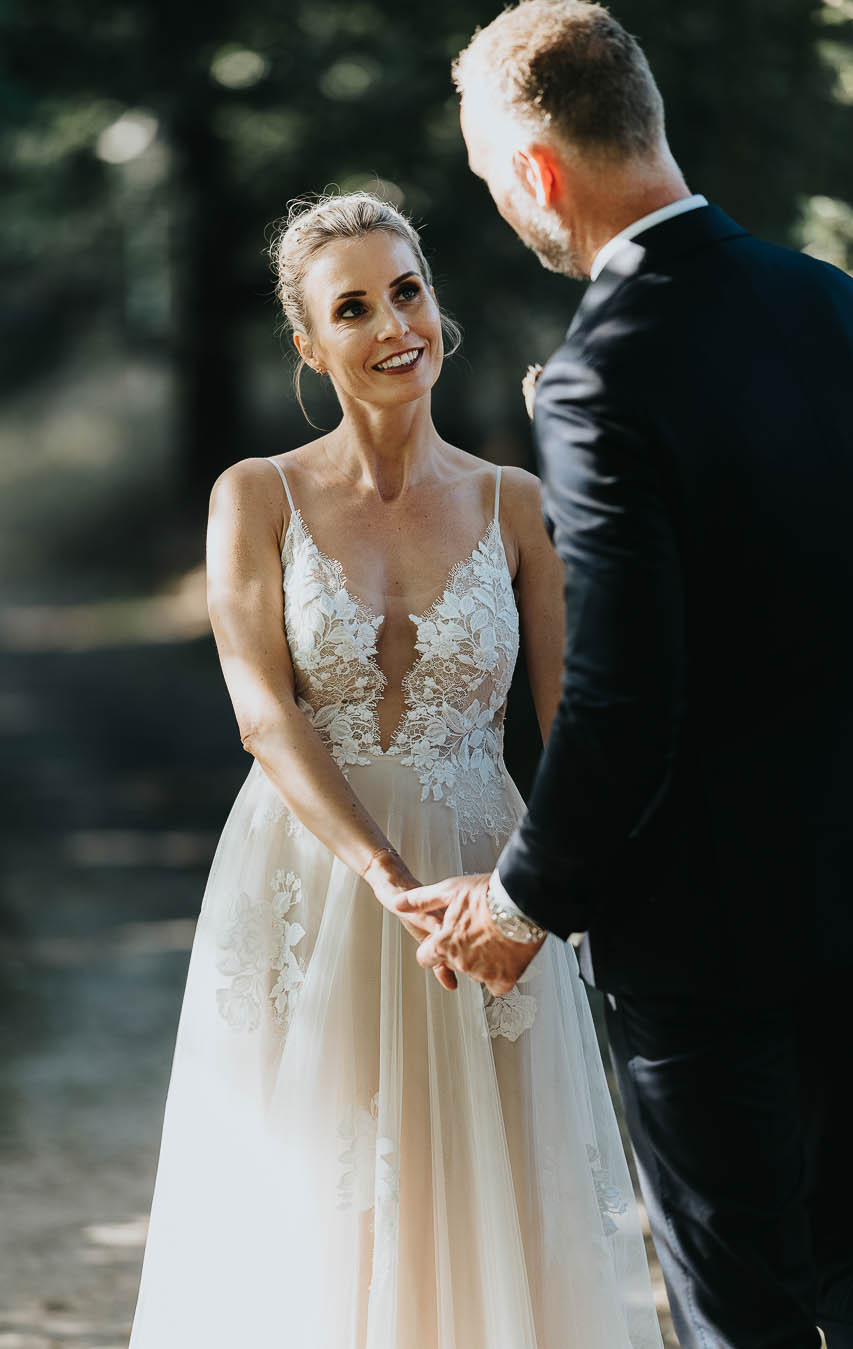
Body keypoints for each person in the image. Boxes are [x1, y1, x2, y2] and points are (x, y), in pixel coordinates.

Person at [396, 5, 853, 1346]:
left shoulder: (602, 375)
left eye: (494, 175)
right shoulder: (839, 308)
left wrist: (527, 898)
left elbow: (624, 687)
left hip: (704, 941)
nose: (503, 205)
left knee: (741, 1309)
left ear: (541, 173)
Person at [128, 190, 660, 1348]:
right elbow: (266, 713)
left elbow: (573, 718)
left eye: (407, 290)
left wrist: (538, 889)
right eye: (353, 307)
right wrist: (381, 872)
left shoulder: (518, 503)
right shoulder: (254, 495)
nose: (392, 325)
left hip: (487, 870)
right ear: (310, 342)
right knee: (318, 1178)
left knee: (484, 1189)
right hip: (314, 874)